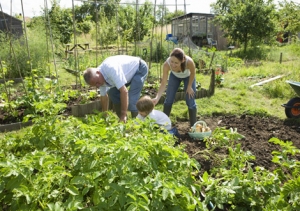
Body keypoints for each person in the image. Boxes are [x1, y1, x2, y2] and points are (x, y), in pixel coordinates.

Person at [83, 55, 148, 123]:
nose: (98, 86)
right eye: (95, 85)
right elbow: (104, 96)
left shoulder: (110, 69)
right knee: (112, 93)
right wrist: (105, 115)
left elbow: (124, 91)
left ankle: (137, 123)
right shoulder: (98, 78)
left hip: (139, 69)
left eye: (97, 83)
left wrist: (123, 114)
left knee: (132, 99)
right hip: (127, 75)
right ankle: (123, 121)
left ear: (98, 72)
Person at [152, 48, 197, 126]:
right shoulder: (166, 64)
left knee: (190, 100)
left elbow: (193, 73)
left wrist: (189, 87)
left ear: (182, 60)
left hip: (188, 77)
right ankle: (164, 124)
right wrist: (157, 98)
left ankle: (193, 126)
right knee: (169, 99)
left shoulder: (189, 62)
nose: (173, 64)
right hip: (175, 76)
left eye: (176, 63)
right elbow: (163, 83)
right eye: (171, 61)